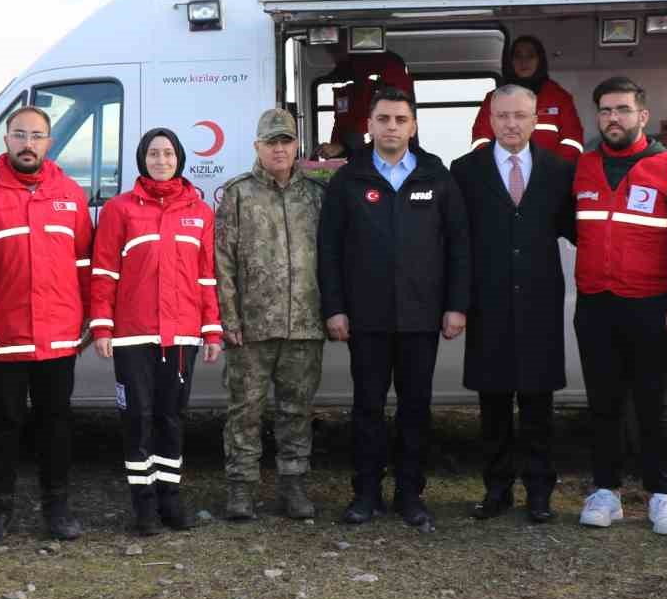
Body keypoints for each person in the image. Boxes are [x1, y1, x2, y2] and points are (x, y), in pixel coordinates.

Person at [318, 87, 469, 530]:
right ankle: (365, 494)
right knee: (366, 408)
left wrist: (456, 306)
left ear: (413, 126)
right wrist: (335, 308)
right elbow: (329, 249)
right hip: (365, 318)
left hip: (422, 318)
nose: (391, 127)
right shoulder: (349, 178)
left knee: (415, 409)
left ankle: (410, 495)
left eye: (401, 120)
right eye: (383, 119)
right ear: (369, 126)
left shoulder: (436, 176)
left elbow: (459, 245)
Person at [0, 105, 93, 546]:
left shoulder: (70, 193)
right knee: (3, 424)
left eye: (36, 136)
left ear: (49, 143)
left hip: (58, 334)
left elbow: (85, 262)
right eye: (19, 135)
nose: (27, 144)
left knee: (56, 423)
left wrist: (88, 316)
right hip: (2, 338)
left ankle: (57, 510)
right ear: (6, 140)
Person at [571, 76, 667, 536]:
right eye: (605, 110)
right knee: (602, 404)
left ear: (642, 116)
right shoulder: (582, 167)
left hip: (651, 305)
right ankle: (605, 491)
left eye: (622, 109)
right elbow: (576, 227)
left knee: (653, 405)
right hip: (596, 305)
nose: (613, 118)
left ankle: (662, 494)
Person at [449, 84, 576, 523]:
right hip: (490, 305)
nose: (511, 124)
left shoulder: (560, 171)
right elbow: (458, 243)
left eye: (520, 115)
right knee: (495, 405)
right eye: (502, 115)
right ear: (490, 118)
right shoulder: (465, 171)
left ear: (536, 117)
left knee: (539, 405)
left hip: (540, 303)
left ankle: (539, 493)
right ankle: (497, 489)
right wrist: (458, 302)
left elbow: (575, 229)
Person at [90, 128, 222, 535]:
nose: (161, 160)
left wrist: (212, 329)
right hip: (132, 336)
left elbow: (206, 277)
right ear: (141, 159)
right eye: (153, 153)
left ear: (179, 158)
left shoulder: (199, 212)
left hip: (181, 336)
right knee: (137, 418)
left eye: (167, 153)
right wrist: (101, 325)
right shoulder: (119, 209)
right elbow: (104, 271)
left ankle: (170, 498)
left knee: (171, 418)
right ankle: (143, 505)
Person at [214, 109, 327, 521]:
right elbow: (221, 262)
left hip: (304, 324)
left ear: (296, 146)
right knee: (244, 412)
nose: (279, 149)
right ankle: (241, 490)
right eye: (271, 142)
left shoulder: (315, 196)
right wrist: (230, 319)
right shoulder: (237, 195)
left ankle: (294, 487)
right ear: (257, 147)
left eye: (286, 142)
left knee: (297, 411)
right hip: (252, 328)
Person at [470, 35, 585, 160]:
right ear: (510, 61)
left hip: (551, 174)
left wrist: (553, 169)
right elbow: (481, 139)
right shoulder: (493, 98)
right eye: (518, 56)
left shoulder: (559, 97)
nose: (523, 61)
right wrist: (497, 167)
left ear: (540, 60)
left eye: (530, 56)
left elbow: (573, 141)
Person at [316, 49, 415, 158]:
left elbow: (389, 126)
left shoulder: (387, 67)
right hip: (355, 159)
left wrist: (343, 147)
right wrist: (335, 151)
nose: (330, 50)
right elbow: (343, 122)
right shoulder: (342, 75)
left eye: (335, 45)